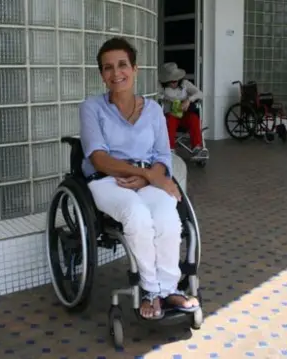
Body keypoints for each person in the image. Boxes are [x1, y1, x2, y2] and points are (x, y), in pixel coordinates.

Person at [79, 37, 200, 320]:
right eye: (108, 68)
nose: (116, 73)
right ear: (101, 74)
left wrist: (149, 179)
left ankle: (169, 288)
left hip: (146, 179)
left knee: (169, 217)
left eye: (122, 65)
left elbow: (163, 156)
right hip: (108, 180)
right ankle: (149, 290)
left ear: (135, 69)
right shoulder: (91, 108)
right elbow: (99, 158)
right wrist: (143, 174)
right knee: (136, 214)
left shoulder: (155, 110)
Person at [158, 62, 207, 157]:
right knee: (170, 120)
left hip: (184, 114)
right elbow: (156, 95)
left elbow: (200, 93)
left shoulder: (185, 84)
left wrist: (189, 100)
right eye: (171, 81)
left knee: (194, 118)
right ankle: (170, 149)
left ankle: (197, 148)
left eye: (176, 80)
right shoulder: (161, 86)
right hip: (171, 114)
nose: (174, 83)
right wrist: (167, 99)